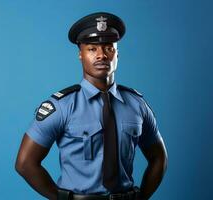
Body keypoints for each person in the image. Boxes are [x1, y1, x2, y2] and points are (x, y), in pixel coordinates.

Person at [15, 12, 168, 200]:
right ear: (81, 54)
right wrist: (61, 198)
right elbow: (25, 163)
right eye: (92, 49)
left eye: (108, 48)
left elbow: (159, 158)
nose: (101, 55)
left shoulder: (137, 105)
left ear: (117, 54)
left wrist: (141, 197)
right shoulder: (62, 106)